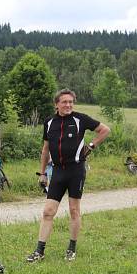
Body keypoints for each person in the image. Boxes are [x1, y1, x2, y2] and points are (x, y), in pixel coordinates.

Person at [27, 88, 110, 262]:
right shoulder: (49, 122)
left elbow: (105, 130)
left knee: (74, 210)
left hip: (76, 171)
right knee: (48, 211)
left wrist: (92, 146)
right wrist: (42, 173)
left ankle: (71, 248)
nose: (68, 105)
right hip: (57, 171)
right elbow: (45, 149)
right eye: (64, 102)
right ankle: (39, 251)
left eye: (71, 102)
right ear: (56, 104)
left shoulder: (80, 119)